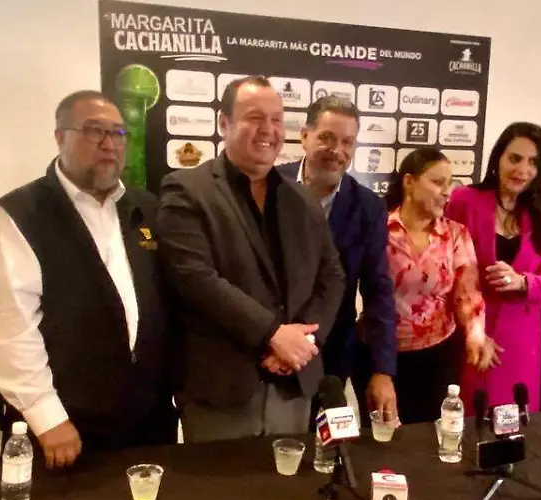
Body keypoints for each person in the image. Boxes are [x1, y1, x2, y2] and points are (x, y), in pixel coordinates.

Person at [0, 90, 177, 469]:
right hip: (67, 430)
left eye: (118, 133)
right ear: (60, 137)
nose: (109, 144)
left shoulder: (144, 208)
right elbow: (9, 329)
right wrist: (46, 416)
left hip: (147, 422)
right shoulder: (20, 216)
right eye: (94, 131)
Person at [157, 75, 345, 441]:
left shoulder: (303, 200)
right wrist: (273, 334)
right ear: (224, 123)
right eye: (255, 117)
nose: (268, 130)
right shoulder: (186, 191)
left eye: (276, 119)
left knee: (287, 479)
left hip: (293, 385)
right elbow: (196, 279)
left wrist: (301, 343)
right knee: (223, 481)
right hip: (222, 391)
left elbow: (332, 276)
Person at [276, 96, 397, 424]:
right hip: (270, 349)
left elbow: (378, 290)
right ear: (304, 136)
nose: (337, 150)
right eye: (327, 138)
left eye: (347, 142)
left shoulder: (368, 207)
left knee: (319, 445)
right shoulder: (268, 186)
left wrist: (383, 370)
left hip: (330, 355)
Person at [446, 122, 541, 413]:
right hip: (470, 334)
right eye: (515, 158)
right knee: (466, 419)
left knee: (514, 421)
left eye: (533, 162)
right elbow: (446, 268)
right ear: (498, 158)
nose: (523, 170)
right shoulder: (465, 200)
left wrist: (523, 282)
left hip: (521, 342)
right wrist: (473, 330)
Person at [382, 148, 491, 424]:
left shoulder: (455, 233)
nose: (446, 192)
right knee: (384, 437)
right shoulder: (379, 230)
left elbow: (468, 293)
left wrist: (476, 334)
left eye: (449, 184)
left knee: (431, 438)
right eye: (437, 182)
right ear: (409, 182)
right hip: (383, 357)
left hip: (438, 355)